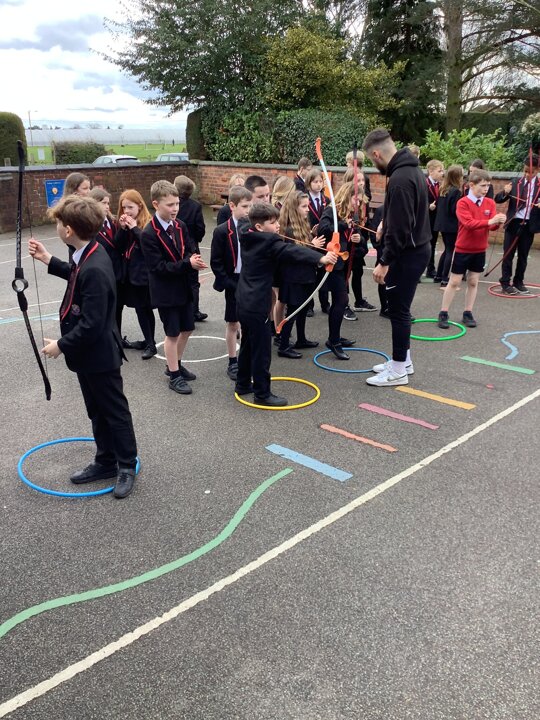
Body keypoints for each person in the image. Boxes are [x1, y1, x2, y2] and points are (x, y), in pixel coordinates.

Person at [28, 195, 138, 499]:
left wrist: (61, 345)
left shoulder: (95, 267)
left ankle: (126, 465)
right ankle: (106, 460)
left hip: (100, 355)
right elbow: (76, 275)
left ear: (68, 230)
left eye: (59, 223)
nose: (58, 227)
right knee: (97, 410)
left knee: (114, 412)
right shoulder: (87, 253)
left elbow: (93, 324)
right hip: (89, 355)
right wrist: (49, 260)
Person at [235, 202, 337, 406]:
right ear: (259, 227)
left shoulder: (245, 233)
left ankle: (243, 383)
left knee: (247, 344)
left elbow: (281, 243)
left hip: (243, 301)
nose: (278, 226)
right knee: (262, 351)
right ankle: (262, 394)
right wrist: (322, 258)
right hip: (257, 304)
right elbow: (292, 251)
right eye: (273, 223)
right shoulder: (268, 243)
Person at [362, 128, 431, 387]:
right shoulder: (411, 170)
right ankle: (404, 361)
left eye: (372, 161)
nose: (374, 166)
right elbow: (404, 214)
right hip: (416, 249)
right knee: (400, 309)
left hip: (407, 255)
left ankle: (399, 371)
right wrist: (385, 224)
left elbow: (402, 228)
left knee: (399, 311)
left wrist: (384, 262)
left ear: (376, 154)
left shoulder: (400, 178)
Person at [141, 180, 208, 395]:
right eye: (170, 204)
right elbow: (158, 268)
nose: (175, 208)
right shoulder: (148, 233)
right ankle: (174, 376)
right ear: (155, 204)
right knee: (172, 333)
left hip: (183, 286)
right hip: (165, 291)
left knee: (187, 328)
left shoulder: (180, 226)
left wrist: (193, 258)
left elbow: (188, 249)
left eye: (177, 203)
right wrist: (187, 264)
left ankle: (174, 365)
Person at [438, 169, 506, 328]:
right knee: (454, 281)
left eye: (488, 185)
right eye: (483, 185)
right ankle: (443, 312)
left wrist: (498, 222)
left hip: (480, 249)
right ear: (471, 185)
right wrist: (490, 221)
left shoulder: (489, 202)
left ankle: (468, 312)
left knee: (474, 281)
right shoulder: (462, 203)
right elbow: (468, 224)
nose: (486, 189)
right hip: (463, 248)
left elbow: (491, 227)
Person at [210, 185, 253, 381]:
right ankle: (232, 360)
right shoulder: (221, 231)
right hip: (233, 281)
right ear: (232, 206)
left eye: (250, 206)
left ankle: (245, 357)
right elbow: (216, 262)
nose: (248, 211)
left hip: (249, 279)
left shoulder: (252, 227)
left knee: (248, 321)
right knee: (233, 322)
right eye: (244, 206)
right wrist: (228, 282)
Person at [277, 190, 326, 358]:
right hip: (294, 278)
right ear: (294, 208)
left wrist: (311, 239)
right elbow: (297, 254)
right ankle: (283, 345)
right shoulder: (290, 230)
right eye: (304, 206)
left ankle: (301, 339)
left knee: (303, 309)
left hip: (305, 275)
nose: (307, 209)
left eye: (308, 206)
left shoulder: (303, 225)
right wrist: (312, 245)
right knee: (293, 311)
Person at [318, 181, 362, 360]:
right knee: (342, 300)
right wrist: (343, 225)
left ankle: (334, 337)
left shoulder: (352, 214)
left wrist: (357, 239)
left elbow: (354, 236)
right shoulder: (331, 211)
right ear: (346, 196)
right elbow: (323, 230)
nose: (358, 203)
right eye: (356, 200)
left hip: (344, 263)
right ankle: (333, 341)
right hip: (332, 263)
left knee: (340, 300)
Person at [116, 190, 157, 358]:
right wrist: (123, 229)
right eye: (124, 207)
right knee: (140, 309)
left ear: (139, 206)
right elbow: (118, 246)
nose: (126, 211)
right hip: (130, 274)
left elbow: (148, 245)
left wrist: (133, 228)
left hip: (143, 275)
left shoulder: (148, 223)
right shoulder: (126, 224)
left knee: (144, 309)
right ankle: (148, 341)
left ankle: (151, 344)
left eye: (130, 207)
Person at [494, 153, 540, 294]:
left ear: (538, 170)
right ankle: (505, 282)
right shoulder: (515, 182)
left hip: (529, 224)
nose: (527, 174)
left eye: (531, 172)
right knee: (508, 254)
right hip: (514, 222)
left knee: (523, 255)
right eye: (525, 171)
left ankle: (518, 281)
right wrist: (505, 192)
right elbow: (498, 199)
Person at [174, 174, 208, 321]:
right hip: (192, 246)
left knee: (178, 279)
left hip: (175, 246)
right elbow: (201, 228)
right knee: (193, 282)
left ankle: (179, 310)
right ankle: (194, 311)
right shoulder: (195, 206)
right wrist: (195, 240)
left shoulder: (173, 206)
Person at [434, 165, 463, 287]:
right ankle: (445, 278)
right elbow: (454, 210)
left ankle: (439, 275)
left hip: (442, 224)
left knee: (447, 250)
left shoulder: (443, 189)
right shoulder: (456, 191)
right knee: (450, 250)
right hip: (451, 225)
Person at [425, 159, 444, 278]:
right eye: (439, 171)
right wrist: (428, 206)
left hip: (435, 220)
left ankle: (430, 269)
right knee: (424, 245)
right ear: (431, 171)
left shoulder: (439, 185)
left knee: (432, 244)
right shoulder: (424, 183)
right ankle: (419, 269)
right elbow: (418, 201)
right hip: (425, 220)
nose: (442, 173)